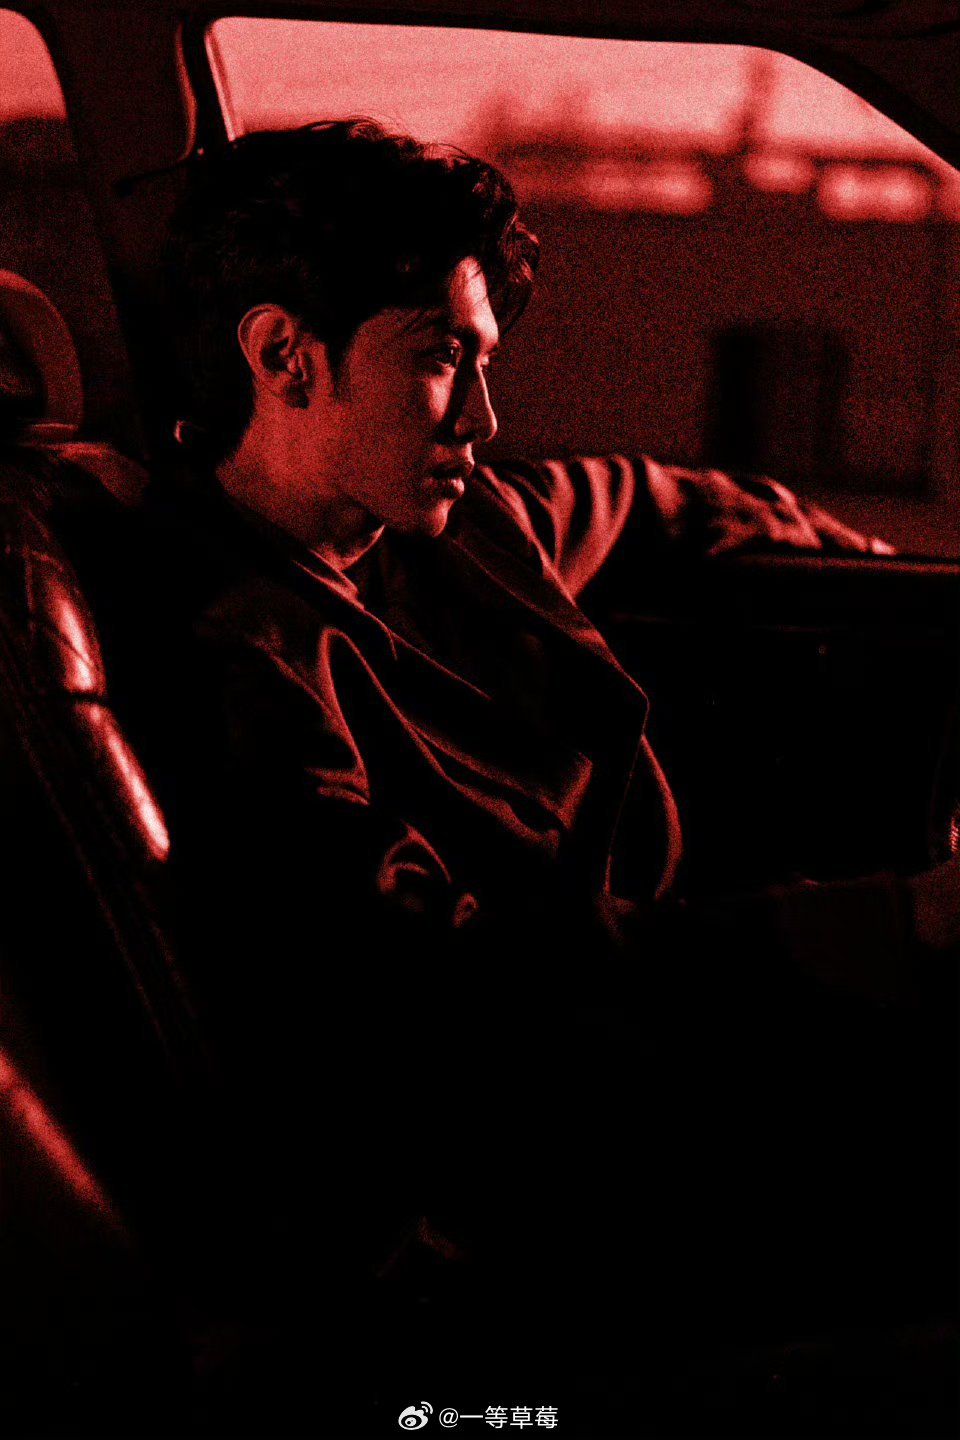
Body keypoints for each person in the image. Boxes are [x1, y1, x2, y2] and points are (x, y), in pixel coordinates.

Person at [107, 119, 956, 1426]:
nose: (483, 417)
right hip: (522, 1189)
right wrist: (890, 926)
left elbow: (654, 498)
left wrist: (868, 563)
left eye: (484, 362)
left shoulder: (460, 527)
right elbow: (446, 998)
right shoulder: (234, 660)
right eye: (440, 360)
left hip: (655, 1073)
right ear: (283, 356)